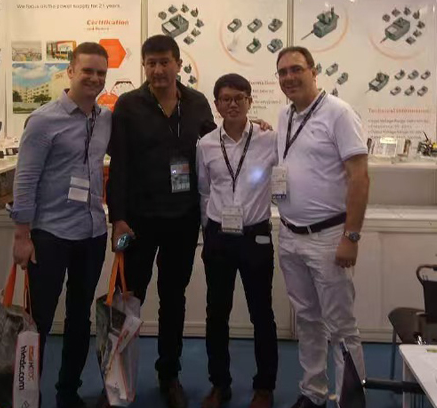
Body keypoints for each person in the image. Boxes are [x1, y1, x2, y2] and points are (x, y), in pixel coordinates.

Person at [106, 34, 216, 408]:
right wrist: (118, 219)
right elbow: (119, 166)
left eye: (164, 62)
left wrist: (253, 129)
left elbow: (215, 152)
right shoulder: (128, 105)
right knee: (126, 300)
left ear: (178, 64)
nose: (157, 70)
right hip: (137, 222)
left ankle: (169, 375)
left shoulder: (197, 103)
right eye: (150, 63)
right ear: (144, 66)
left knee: (173, 299)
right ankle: (116, 380)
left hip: (182, 220)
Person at [10, 42, 111, 408]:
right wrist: (22, 236)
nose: (94, 78)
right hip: (49, 235)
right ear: (70, 71)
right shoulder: (43, 120)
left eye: (101, 73)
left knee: (80, 318)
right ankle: (28, 396)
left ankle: (68, 392)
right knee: (38, 321)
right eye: (87, 71)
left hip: (92, 233)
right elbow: (25, 180)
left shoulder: (105, 118)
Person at [273, 46, 369, 408]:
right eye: (283, 72)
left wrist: (351, 237)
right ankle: (313, 392)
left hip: (329, 237)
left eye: (296, 69)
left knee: (341, 326)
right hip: (290, 234)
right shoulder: (285, 115)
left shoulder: (339, 113)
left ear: (314, 72)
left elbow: (359, 177)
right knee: (308, 320)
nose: (289, 77)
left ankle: (350, 401)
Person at [196, 73, 279, 408]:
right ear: (216, 104)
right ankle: (220, 384)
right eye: (225, 99)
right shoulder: (205, 144)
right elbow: (204, 190)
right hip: (218, 236)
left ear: (249, 101)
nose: (232, 104)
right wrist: (208, 232)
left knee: (262, 313)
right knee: (216, 313)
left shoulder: (268, 139)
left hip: (255, 235)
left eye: (239, 98)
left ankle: (265, 387)